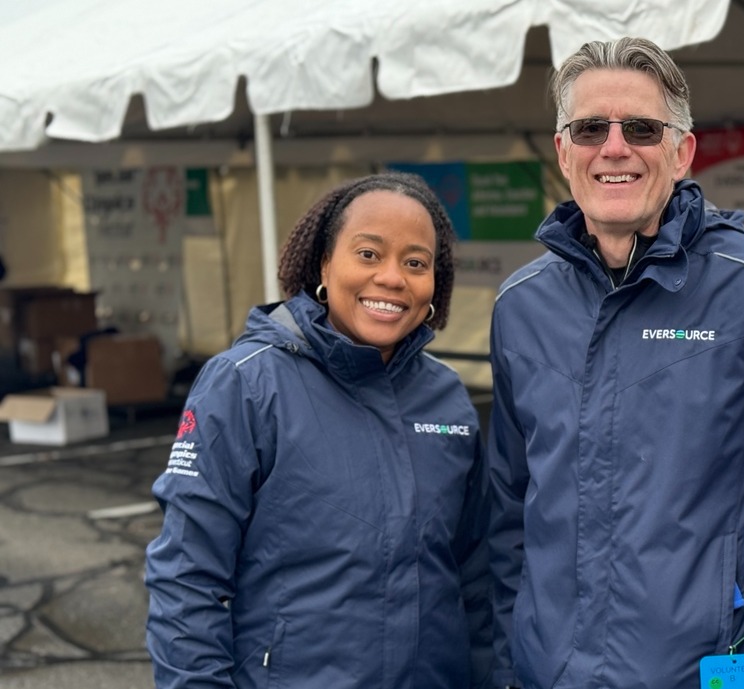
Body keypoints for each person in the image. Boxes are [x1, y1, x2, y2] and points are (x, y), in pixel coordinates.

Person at [487, 37, 744, 689]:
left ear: (683, 152)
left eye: (643, 129)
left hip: (716, 673)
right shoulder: (522, 304)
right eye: (591, 127)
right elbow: (508, 511)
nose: (616, 147)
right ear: (564, 151)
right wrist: (505, 665)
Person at [144, 172, 490, 688]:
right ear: (324, 264)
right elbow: (186, 578)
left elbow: (476, 576)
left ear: (434, 284)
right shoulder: (246, 384)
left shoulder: (448, 399)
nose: (393, 278)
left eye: (415, 263)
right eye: (369, 254)